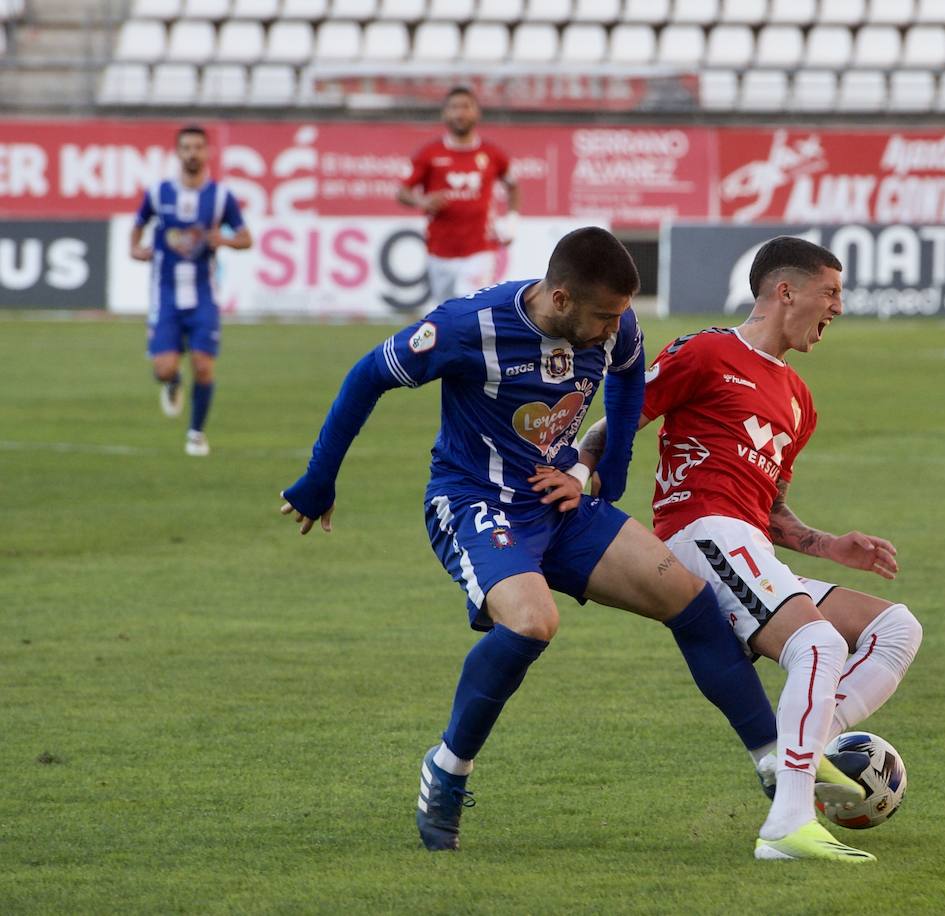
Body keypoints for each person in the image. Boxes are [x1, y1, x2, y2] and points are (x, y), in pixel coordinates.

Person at [277, 228, 780, 855]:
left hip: (556, 498)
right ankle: (448, 769)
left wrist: (600, 472)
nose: (613, 331)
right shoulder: (469, 328)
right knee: (534, 621)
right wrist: (320, 477)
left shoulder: (614, 324)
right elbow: (366, 376)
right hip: (473, 500)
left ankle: (775, 766)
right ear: (562, 300)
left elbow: (627, 383)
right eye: (603, 317)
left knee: (688, 595)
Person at [577, 237, 923, 862]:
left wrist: (827, 543)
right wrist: (577, 474)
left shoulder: (800, 400)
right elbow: (620, 421)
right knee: (816, 644)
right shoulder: (708, 350)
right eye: (831, 293)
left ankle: (809, 747)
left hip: (748, 545)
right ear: (785, 291)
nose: (838, 308)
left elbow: (772, 509)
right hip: (699, 533)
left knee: (896, 628)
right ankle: (787, 823)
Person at [131, 124, 252, 457]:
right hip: (166, 294)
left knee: (203, 365)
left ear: (207, 152)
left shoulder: (221, 197)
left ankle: (196, 433)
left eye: (199, 147)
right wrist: (135, 249)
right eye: (187, 147)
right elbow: (137, 225)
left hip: (204, 296)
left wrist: (224, 239)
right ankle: (172, 382)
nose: (193, 153)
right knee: (164, 368)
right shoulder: (158, 194)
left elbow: (246, 238)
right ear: (178, 152)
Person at [397, 85, 520, 307]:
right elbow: (402, 192)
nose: (460, 113)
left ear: (476, 112)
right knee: (444, 316)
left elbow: (513, 185)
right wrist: (422, 201)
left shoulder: (492, 154)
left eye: (466, 107)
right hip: (439, 251)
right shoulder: (430, 154)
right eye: (454, 107)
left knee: (470, 310)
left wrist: (512, 220)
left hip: (480, 250)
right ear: (445, 113)